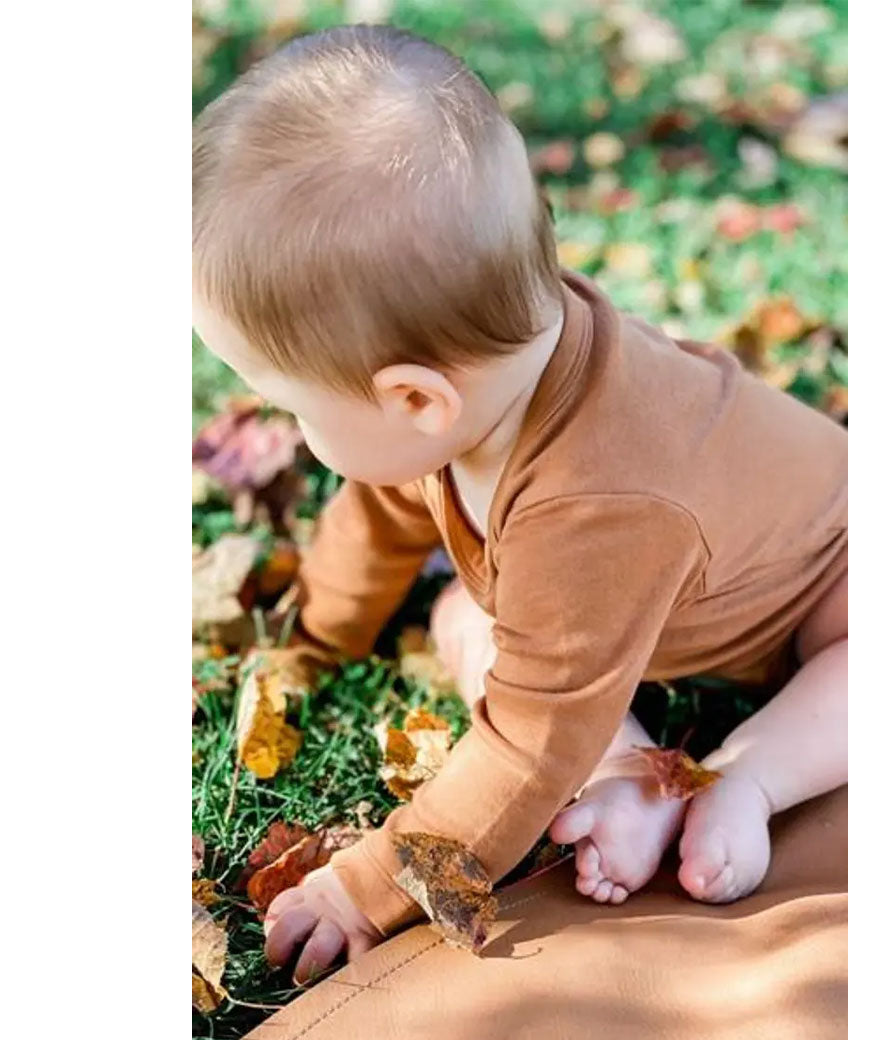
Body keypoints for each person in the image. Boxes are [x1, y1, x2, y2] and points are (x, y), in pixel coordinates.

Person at [192, 24, 848, 987]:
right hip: (663, 604)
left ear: (417, 401)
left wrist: (365, 888)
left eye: (292, 405)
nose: (291, 425)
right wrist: (320, 634)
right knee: (466, 616)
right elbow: (384, 508)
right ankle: (626, 775)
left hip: (836, 579)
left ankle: (745, 778)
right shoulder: (483, 382)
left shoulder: (599, 504)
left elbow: (526, 748)